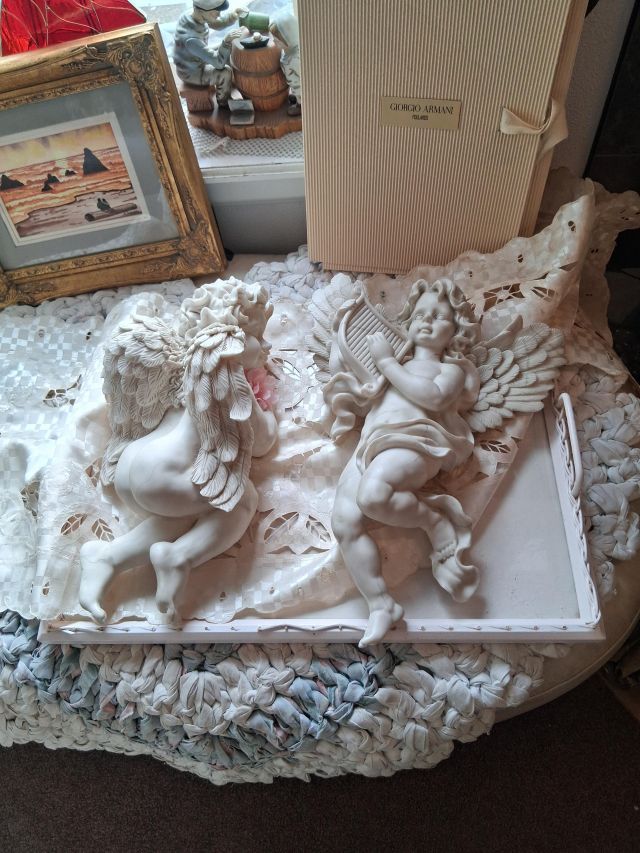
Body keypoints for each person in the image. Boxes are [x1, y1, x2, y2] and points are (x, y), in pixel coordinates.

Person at [328, 279, 481, 646]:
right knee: (344, 520)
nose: (427, 321)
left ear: (455, 332)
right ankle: (380, 603)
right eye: (421, 314)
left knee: (373, 496)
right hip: (372, 446)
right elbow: (348, 380)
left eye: (439, 317)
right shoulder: (394, 364)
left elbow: (433, 397)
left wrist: (385, 362)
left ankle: (434, 522)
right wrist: (341, 335)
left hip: (417, 443)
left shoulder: (451, 370)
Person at [173, 0, 248, 106]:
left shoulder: (195, 15)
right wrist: (226, 41)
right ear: (200, 11)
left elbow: (216, 23)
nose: (219, 14)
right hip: (192, 72)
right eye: (215, 12)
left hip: (196, 56)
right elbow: (218, 63)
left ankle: (232, 84)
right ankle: (224, 102)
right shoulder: (190, 39)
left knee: (229, 50)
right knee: (225, 72)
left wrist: (233, 15)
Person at [269, 11, 301, 116]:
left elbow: (301, 81)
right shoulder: (288, 52)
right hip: (293, 84)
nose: (274, 42)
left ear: (288, 39)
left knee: (298, 89)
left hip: (299, 86)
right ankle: (297, 98)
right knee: (295, 90)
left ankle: (301, 105)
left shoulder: (296, 58)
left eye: (277, 40)